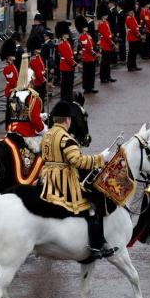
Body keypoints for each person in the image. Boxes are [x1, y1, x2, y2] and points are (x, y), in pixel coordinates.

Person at [38, 100, 116, 259]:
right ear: (67, 120)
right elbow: (79, 161)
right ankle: (97, 246)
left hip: (46, 178)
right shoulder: (67, 139)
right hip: (63, 181)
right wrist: (101, 158)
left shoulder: (46, 136)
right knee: (93, 206)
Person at [6, 53, 45, 153]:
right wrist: (44, 130)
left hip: (12, 131)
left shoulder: (14, 94)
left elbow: (21, 114)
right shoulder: (32, 97)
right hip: (27, 134)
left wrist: (41, 115)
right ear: (31, 81)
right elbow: (35, 120)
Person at [56, 21, 76, 102]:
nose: (68, 33)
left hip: (68, 66)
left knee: (69, 83)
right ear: (63, 34)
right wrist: (74, 64)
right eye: (66, 32)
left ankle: (68, 97)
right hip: (66, 66)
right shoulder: (62, 43)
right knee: (66, 84)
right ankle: (65, 98)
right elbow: (67, 57)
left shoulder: (66, 42)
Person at [96, 7, 117, 84]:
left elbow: (109, 34)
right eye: (105, 15)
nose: (107, 16)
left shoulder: (106, 23)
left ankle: (108, 76)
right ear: (102, 16)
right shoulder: (101, 24)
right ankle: (103, 77)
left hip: (108, 43)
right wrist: (112, 43)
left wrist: (112, 40)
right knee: (104, 62)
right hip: (105, 44)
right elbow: (105, 36)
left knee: (107, 62)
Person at [78, 19, 99, 94]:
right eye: (85, 27)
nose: (87, 28)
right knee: (87, 73)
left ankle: (91, 87)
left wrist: (95, 52)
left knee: (92, 73)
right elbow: (87, 47)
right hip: (87, 57)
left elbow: (92, 45)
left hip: (91, 57)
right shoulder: (82, 36)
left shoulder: (88, 35)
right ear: (83, 28)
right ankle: (86, 88)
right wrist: (94, 54)